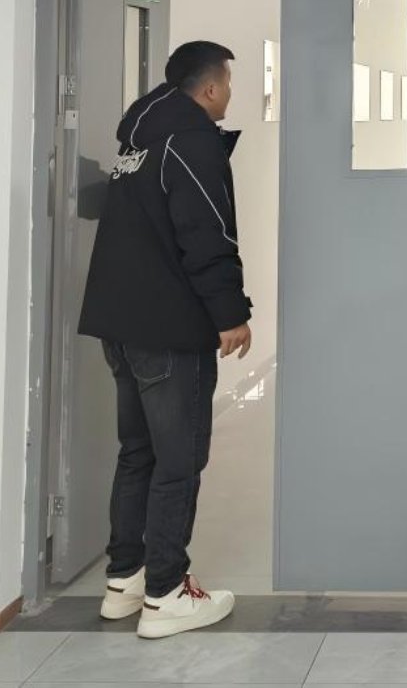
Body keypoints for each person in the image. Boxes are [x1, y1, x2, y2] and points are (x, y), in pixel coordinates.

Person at [77, 41, 251, 640]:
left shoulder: (141, 140)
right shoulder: (193, 142)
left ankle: (124, 580)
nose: (229, 94)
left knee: (138, 454)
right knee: (178, 462)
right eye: (228, 84)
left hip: (121, 325)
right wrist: (230, 314)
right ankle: (167, 593)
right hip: (169, 330)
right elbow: (206, 234)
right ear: (210, 88)